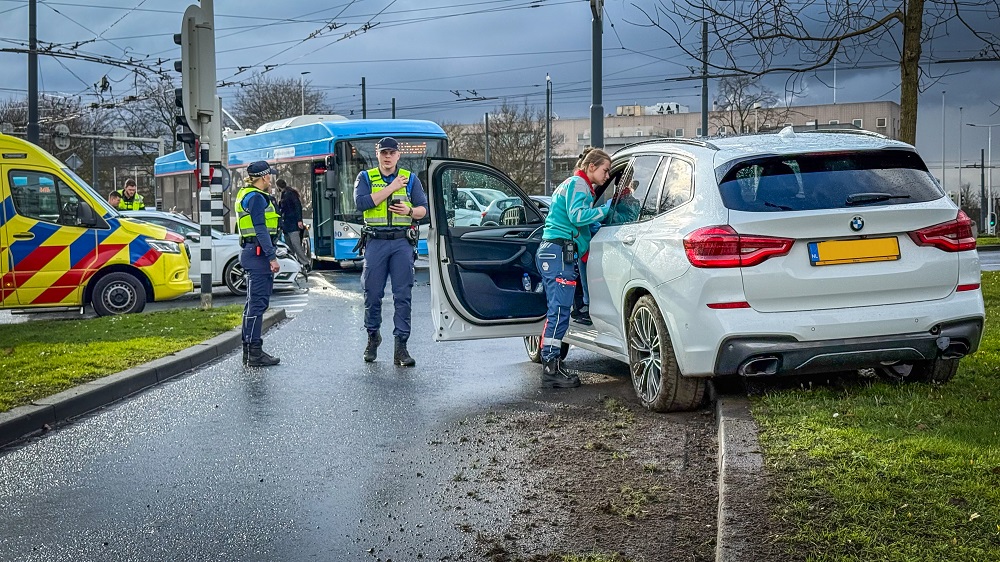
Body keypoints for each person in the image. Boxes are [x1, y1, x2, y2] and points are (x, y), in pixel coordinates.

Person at [535, 147, 612, 388]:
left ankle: (553, 362)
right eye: (605, 170)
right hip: (559, 251)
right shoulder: (579, 184)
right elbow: (578, 216)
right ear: (591, 167)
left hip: (555, 251)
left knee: (558, 310)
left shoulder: (573, 184)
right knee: (559, 311)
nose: (607, 176)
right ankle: (551, 367)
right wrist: (608, 208)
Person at [354, 137, 426, 367]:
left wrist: (410, 210)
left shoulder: (411, 179)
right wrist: (392, 188)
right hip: (375, 242)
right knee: (372, 294)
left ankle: (401, 347)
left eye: (391, 153)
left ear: (398, 155)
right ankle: (373, 336)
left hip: (401, 243)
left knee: (402, 296)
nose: (387, 156)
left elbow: (423, 210)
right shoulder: (365, 177)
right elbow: (362, 203)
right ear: (378, 155)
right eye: (383, 152)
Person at [236, 161, 282, 367]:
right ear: (264, 177)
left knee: (252, 305)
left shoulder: (247, 194)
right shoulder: (256, 198)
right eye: (269, 177)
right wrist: (272, 257)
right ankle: (254, 352)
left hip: (252, 252)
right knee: (257, 305)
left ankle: (249, 350)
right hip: (258, 255)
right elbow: (261, 228)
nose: (270, 180)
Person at [276, 179, 311, 271]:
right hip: (287, 225)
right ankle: (296, 264)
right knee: (290, 246)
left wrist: (299, 220)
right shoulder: (287, 193)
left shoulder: (289, 194)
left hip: (291, 224)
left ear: (278, 186)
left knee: (295, 245)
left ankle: (305, 263)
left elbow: (297, 206)